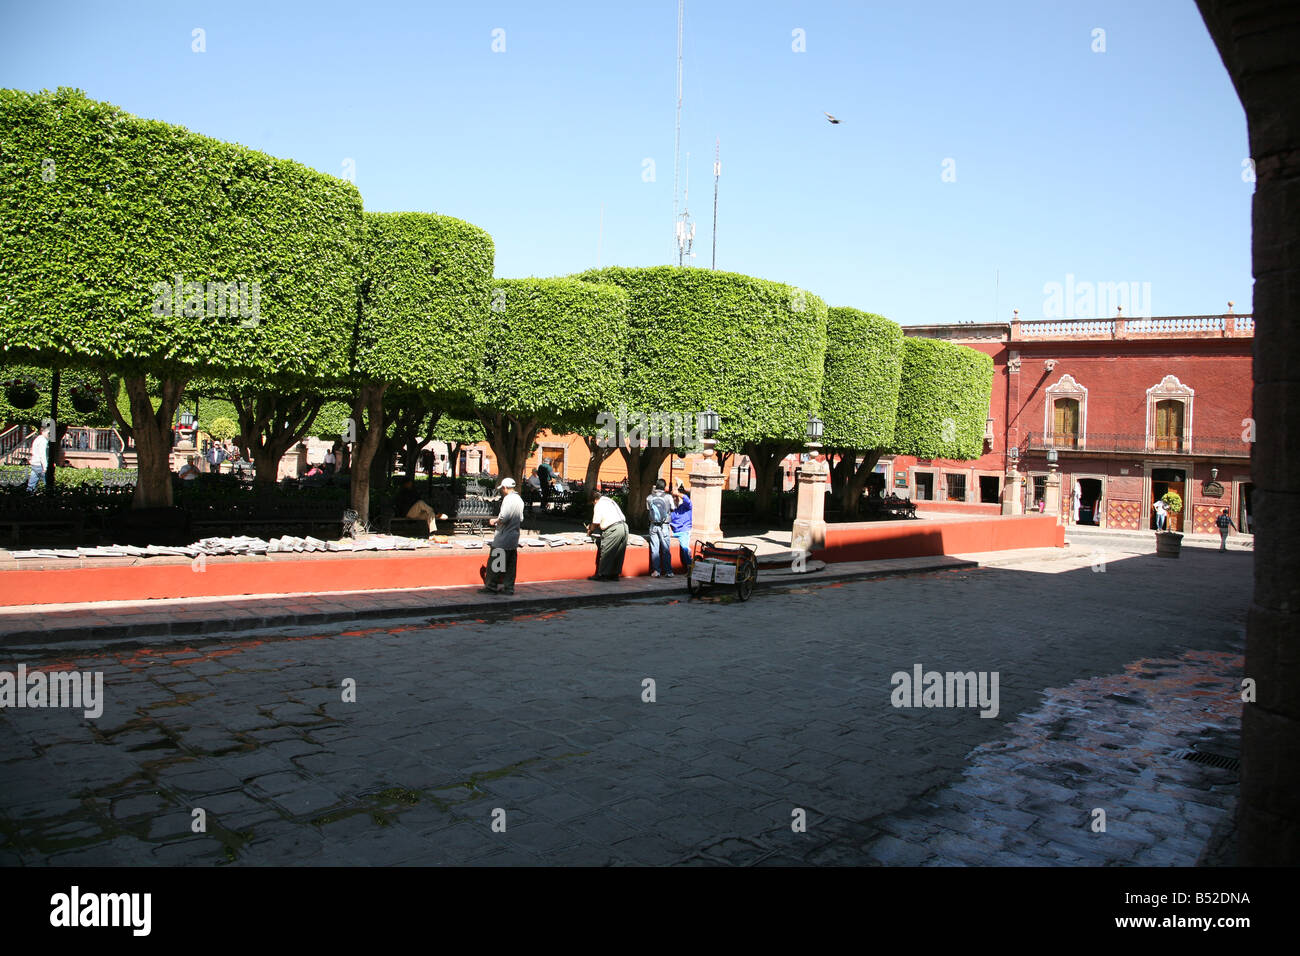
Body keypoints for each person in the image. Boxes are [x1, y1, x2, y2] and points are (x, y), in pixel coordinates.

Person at [481, 477, 524, 595]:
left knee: (495, 563)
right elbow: (520, 518)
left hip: (503, 537)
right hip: (514, 538)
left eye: (502, 489)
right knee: (510, 565)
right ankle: (509, 587)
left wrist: (494, 521)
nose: (502, 491)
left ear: (505, 488)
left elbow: (503, 517)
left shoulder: (508, 500)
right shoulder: (519, 499)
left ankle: (491, 586)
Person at [587, 488, 628, 581]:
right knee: (619, 552)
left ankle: (602, 575)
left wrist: (590, 531)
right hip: (624, 527)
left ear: (595, 500)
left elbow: (596, 522)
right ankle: (615, 574)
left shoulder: (598, 504)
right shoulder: (609, 501)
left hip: (613, 529)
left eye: (592, 503)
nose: (593, 504)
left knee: (606, 551)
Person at [646, 477, 675, 577]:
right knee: (666, 549)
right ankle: (669, 571)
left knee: (655, 549)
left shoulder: (649, 497)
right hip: (665, 526)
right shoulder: (668, 497)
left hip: (653, 525)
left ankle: (656, 571)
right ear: (664, 487)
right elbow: (673, 508)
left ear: (656, 486)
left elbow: (648, 509)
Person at [670, 482, 693, 571]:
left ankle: (690, 566)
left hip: (684, 531)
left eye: (676, 497)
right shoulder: (672, 508)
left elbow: (687, 500)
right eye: (674, 497)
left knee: (684, 548)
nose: (675, 498)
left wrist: (678, 494)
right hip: (674, 532)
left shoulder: (686, 506)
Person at [26, 422, 50, 493]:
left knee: (31, 484)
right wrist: (45, 467)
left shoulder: (37, 439)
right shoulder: (43, 441)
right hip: (40, 465)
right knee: (48, 484)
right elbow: (42, 454)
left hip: (34, 464)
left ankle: (28, 496)